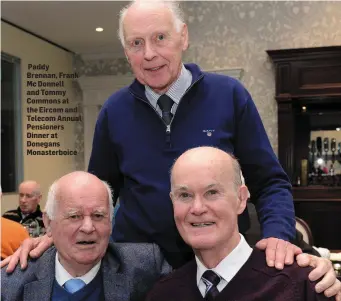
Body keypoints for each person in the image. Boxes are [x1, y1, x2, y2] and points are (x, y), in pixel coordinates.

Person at [1, 2, 341, 298]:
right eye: (136, 43)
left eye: (160, 38)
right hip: (139, 272)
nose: (149, 53)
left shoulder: (229, 96)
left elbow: (269, 183)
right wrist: (56, 235)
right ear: (126, 52)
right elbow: (95, 196)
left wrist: (281, 240)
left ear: (183, 37)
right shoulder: (114, 111)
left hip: (218, 261)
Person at [147, 147, 336, 301]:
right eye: (185, 195)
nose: (197, 208)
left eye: (212, 193)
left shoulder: (303, 284)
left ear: (241, 199)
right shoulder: (163, 294)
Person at [1, 171, 171, 301]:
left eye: (98, 216)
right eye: (75, 216)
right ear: (48, 222)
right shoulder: (11, 283)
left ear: (111, 223)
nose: (88, 227)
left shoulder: (146, 267)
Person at [0, 186, 30, 260]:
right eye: (21, 195)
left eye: (28, 196)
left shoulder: (43, 219)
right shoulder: (18, 229)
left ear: (39, 198)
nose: (23, 200)